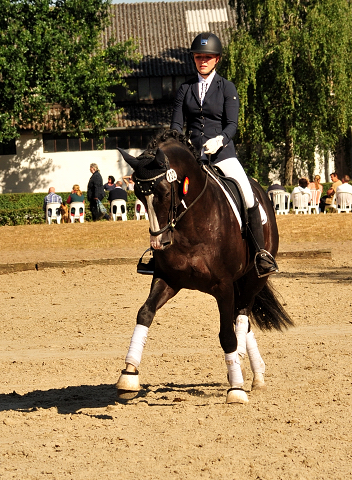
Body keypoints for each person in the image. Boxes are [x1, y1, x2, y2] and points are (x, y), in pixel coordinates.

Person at [164, 32, 277, 277]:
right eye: (198, 57)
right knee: (165, 193)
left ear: (217, 59)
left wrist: (221, 140)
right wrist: (175, 148)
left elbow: (232, 124)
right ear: (193, 59)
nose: (202, 61)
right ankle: (160, 255)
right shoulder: (185, 88)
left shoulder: (227, 87)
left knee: (248, 196)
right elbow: (176, 125)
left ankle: (260, 255)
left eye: (207, 57)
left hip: (222, 154)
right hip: (192, 157)